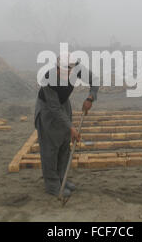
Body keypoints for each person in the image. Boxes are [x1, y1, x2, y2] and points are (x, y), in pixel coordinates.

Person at [34, 53, 99, 197]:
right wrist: (72, 128)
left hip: (63, 104)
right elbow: (54, 109)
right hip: (48, 108)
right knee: (51, 147)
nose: (58, 72)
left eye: (63, 70)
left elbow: (94, 80)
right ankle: (52, 185)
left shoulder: (77, 69)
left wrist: (90, 98)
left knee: (64, 144)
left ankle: (61, 178)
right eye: (58, 68)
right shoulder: (48, 79)